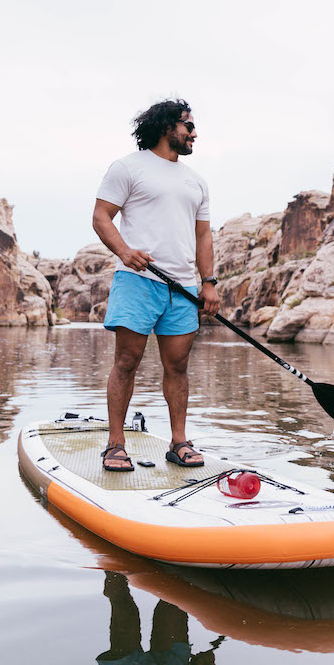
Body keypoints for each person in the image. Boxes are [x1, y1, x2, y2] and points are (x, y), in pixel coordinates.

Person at [92, 99, 222, 472]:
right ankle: (115, 445)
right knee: (127, 362)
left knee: (178, 367)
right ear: (168, 127)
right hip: (138, 281)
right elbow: (101, 216)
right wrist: (124, 251)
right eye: (188, 126)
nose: (194, 133)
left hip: (181, 289)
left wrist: (208, 282)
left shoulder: (196, 181)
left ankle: (179, 442)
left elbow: (203, 235)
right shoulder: (128, 167)